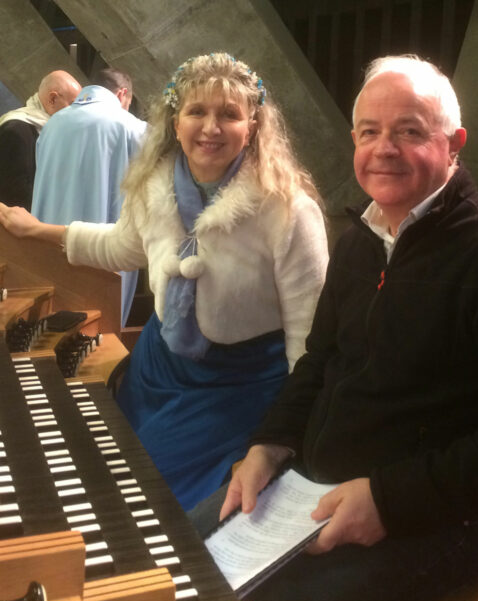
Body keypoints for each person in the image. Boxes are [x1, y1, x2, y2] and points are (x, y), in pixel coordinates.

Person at [188, 55, 478, 601]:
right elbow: (318, 362)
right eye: (369, 132)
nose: (384, 148)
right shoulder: (358, 243)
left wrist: (388, 501)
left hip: (439, 520)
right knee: (171, 566)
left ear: (454, 144)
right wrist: (267, 447)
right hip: (311, 488)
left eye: (409, 130)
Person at [0, 52, 329, 513]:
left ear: (252, 126)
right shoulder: (154, 187)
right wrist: (36, 230)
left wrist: (285, 437)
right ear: (176, 122)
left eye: (228, 114)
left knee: (152, 503)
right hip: (157, 369)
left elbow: (309, 339)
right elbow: (120, 246)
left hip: (236, 386)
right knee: (110, 471)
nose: (210, 127)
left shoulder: (289, 210)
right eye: (197, 111)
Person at [31, 67, 147, 327]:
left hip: (50, 242)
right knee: (99, 332)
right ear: (123, 94)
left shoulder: (52, 125)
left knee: (50, 326)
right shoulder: (133, 128)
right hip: (102, 250)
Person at [0, 70, 81, 210]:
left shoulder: (46, 129)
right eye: (73, 105)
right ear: (53, 99)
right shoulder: (15, 131)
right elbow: (14, 197)